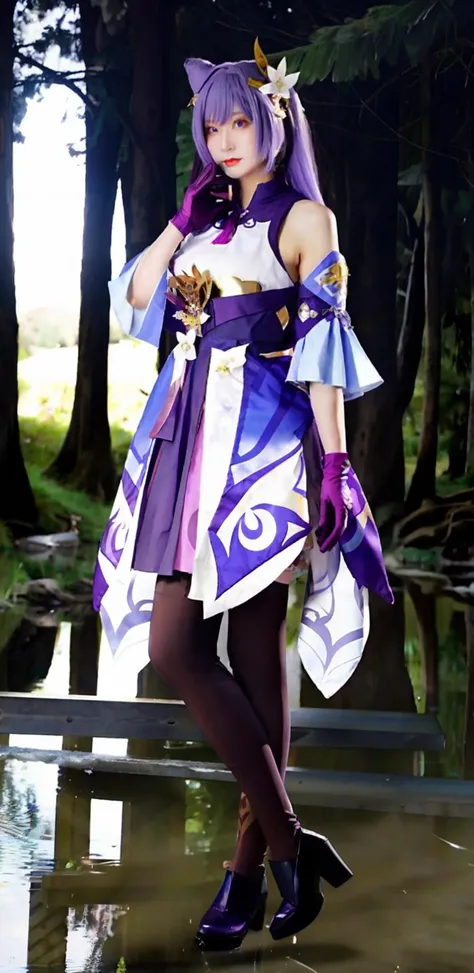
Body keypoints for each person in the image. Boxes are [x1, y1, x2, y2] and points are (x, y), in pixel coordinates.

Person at [93, 42, 393, 951]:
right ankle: (292, 849)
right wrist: (179, 221)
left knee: (256, 640)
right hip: (186, 444)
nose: (225, 139)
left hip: (262, 449)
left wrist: (335, 466)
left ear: (274, 117)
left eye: (239, 120)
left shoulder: (308, 220)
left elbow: (326, 356)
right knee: (175, 644)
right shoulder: (207, 225)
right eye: (212, 125)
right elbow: (137, 296)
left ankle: (244, 869)